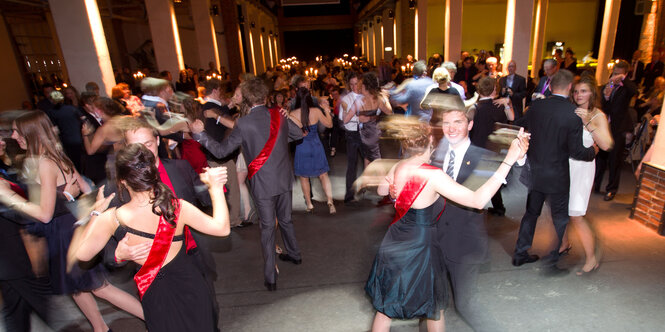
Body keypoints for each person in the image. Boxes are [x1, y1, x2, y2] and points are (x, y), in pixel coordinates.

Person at [366, 116, 529, 332]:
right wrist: (508, 159)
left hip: (395, 240)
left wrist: (393, 187)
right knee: (434, 307)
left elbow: (381, 191)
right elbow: (477, 200)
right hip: (420, 247)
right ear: (431, 142)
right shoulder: (433, 175)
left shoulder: (399, 166)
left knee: (385, 309)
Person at [0, 111, 143, 332]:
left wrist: (11, 200)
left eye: (18, 130)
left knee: (100, 288)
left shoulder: (43, 163)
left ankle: (154, 317)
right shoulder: (54, 156)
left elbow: (45, 213)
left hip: (63, 233)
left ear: (31, 132)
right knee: (78, 289)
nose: (14, 135)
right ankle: (101, 329)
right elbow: (87, 190)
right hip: (66, 229)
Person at [71, 143, 229, 331]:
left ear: (122, 180)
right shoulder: (177, 207)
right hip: (192, 287)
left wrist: (96, 214)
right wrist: (216, 188)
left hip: (156, 297)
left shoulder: (111, 218)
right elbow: (222, 229)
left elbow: (83, 254)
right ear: (153, 172)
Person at [190, 77, 303, 291]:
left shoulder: (244, 123)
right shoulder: (277, 114)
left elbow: (221, 152)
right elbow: (298, 134)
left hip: (262, 182)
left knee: (268, 228)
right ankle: (295, 255)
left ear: (247, 100)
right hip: (283, 178)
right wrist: (282, 125)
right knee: (286, 219)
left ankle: (271, 277)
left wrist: (200, 135)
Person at [512, 70, 597, 272]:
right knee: (560, 217)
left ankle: (519, 254)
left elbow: (520, 126)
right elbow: (577, 151)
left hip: (535, 171)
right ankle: (552, 260)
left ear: (549, 87)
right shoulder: (572, 114)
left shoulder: (536, 107)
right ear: (569, 88)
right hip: (558, 175)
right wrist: (592, 151)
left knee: (531, 214)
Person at [559, 76, 613, 275]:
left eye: (583, 91)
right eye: (576, 91)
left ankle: (591, 258)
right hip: (566, 166)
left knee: (576, 215)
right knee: (562, 209)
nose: (579, 95)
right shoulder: (570, 111)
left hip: (582, 169)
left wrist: (587, 122)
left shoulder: (597, 115)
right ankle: (563, 244)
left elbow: (606, 145)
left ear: (592, 93)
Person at [593, 60, 638, 201]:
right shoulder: (610, 84)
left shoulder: (627, 87)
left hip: (619, 129)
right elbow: (605, 104)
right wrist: (606, 96)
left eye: (618, 73)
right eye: (614, 73)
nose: (614, 76)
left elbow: (634, 91)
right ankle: (595, 185)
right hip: (606, 127)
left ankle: (611, 189)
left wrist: (623, 79)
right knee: (600, 158)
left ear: (625, 73)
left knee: (614, 161)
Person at [287, 87, 336, 214]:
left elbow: (290, 134)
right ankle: (330, 201)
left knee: (304, 177)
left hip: (302, 147)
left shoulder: (292, 114)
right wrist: (326, 111)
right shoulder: (315, 111)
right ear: (310, 98)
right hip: (316, 146)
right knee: (323, 175)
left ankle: (309, 204)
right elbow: (329, 125)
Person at [346, 72, 393, 164]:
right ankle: (378, 178)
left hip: (365, 134)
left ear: (365, 86)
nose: (359, 86)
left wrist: (359, 118)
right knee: (372, 159)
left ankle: (370, 178)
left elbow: (347, 118)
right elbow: (389, 112)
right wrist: (386, 99)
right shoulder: (377, 99)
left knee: (370, 158)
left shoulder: (359, 100)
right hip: (372, 133)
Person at [340, 72, 366, 204]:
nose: (355, 86)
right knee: (352, 164)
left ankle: (365, 187)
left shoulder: (365, 96)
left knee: (369, 161)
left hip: (364, 132)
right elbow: (342, 118)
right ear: (349, 85)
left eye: (356, 83)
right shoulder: (346, 99)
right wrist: (354, 115)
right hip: (352, 134)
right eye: (352, 84)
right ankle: (349, 195)